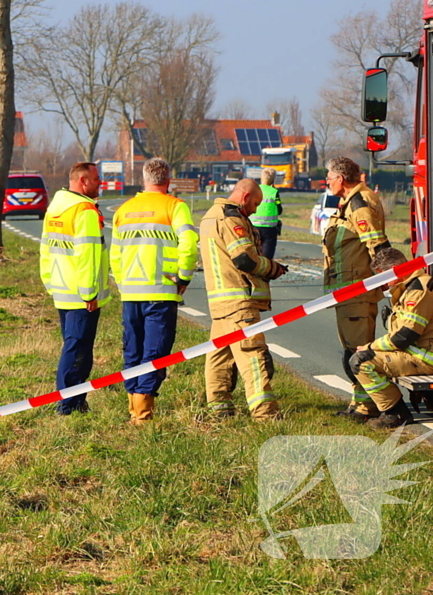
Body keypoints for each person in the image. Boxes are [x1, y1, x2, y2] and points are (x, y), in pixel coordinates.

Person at [110, 158, 198, 424]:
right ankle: (143, 412)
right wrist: (184, 277)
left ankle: (133, 408)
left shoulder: (124, 210)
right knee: (155, 353)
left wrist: (123, 283)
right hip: (161, 291)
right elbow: (189, 246)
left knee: (133, 351)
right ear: (168, 180)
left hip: (130, 292)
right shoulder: (175, 207)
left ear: (144, 180)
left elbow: (115, 255)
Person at [199, 179, 288, 420]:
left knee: (220, 356)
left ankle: (220, 411)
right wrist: (272, 268)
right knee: (253, 357)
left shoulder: (210, 216)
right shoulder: (231, 217)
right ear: (245, 196)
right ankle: (266, 415)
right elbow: (244, 259)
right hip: (239, 300)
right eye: (256, 204)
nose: (256, 210)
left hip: (220, 301)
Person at [350, 247, 433, 428]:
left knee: (361, 362)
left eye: (383, 277)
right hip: (419, 352)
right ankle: (388, 409)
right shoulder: (409, 287)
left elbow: (404, 337)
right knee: (362, 357)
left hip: (427, 357)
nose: (383, 284)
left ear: (394, 270)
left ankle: (395, 413)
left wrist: (370, 347)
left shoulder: (418, 291)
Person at [322, 157, 392, 421]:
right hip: (347, 291)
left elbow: (377, 245)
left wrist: (388, 279)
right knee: (352, 351)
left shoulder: (359, 203)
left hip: (357, 290)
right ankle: (359, 403)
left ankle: (368, 406)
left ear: (341, 179)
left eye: (329, 178)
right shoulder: (349, 202)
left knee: (358, 353)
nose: (327, 182)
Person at [40, 162, 111, 415]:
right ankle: (67, 405)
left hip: (62, 288)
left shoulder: (55, 208)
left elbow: (46, 249)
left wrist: (49, 282)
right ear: (83, 181)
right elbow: (87, 255)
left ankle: (77, 401)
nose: (100, 183)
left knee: (75, 346)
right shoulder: (85, 211)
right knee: (77, 349)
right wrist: (89, 292)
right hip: (82, 294)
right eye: (96, 179)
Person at [253, 168, 282, 259]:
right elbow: (279, 210)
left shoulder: (255, 190)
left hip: (253, 227)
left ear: (261, 178)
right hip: (269, 229)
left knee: (253, 255)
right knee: (267, 258)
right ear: (273, 180)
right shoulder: (274, 192)